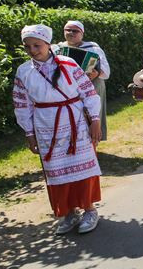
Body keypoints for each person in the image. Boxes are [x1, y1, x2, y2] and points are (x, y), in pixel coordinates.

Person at [13, 24, 103, 235]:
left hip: (75, 123)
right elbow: (22, 104)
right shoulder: (24, 71)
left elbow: (88, 92)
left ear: (48, 44)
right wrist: (29, 133)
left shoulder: (68, 63)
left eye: (37, 45)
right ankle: (69, 213)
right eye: (28, 47)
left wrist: (95, 120)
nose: (33, 50)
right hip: (46, 126)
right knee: (57, 172)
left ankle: (90, 210)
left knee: (82, 168)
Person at [57, 20, 110, 141]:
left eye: (75, 31)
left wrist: (96, 73)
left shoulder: (93, 48)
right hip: (67, 88)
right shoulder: (58, 48)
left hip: (92, 85)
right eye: (68, 30)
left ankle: (94, 141)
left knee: (91, 114)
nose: (71, 33)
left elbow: (106, 71)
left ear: (82, 33)